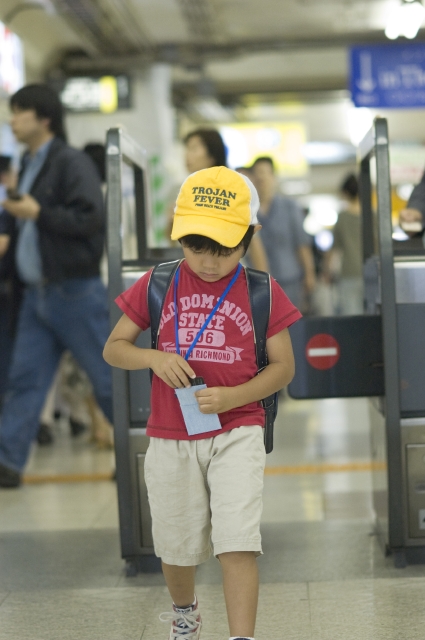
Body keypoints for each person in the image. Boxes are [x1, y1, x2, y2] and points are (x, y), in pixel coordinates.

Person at [103, 166, 301, 640]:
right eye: (197, 248)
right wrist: (152, 356)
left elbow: (283, 368)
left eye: (225, 250)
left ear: (249, 236)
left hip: (240, 428)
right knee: (175, 543)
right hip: (171, 432)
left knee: (237, 540)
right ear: (179, 236)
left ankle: (241, 636)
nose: (209, 262)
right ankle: (185, 610)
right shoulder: (158, 282)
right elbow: (114, 347)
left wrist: (234, 396)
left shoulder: (262, 291)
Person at [0, 84, 112, 488]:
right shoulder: (28, 162)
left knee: (105, 377)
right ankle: (8, 463)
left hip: (74, 291)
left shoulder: (71, 162)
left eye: (19, 112)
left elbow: (90, 220)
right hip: (35, 293)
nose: (12, 119)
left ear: (44, 118)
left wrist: (38, 212)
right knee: (24, 380)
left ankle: (144, 451)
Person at [168, 129, 268, 271]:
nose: (187, 155)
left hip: (228, 275)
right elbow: (170, 238)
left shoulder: (233, 188)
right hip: (194, 274)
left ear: (212, 154)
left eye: (194, 148)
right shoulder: (179, 191)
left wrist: (263, 281)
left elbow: (253, 240)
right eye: (187, 149)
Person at [251, 156, 315, 308]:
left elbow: (302, 243)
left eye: (264, 172)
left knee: (291, 325)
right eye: (257, 173)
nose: (261, 177)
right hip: (258, 282)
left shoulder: (289, 207)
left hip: (289, 280)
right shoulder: (249, 210)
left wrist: (309, 274)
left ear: (273, 177)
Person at [325, 173, 363, 315]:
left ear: (345, 193)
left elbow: (334, 248)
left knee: (352, 316)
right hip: (372, 272)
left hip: (349, 272)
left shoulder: (342, 217)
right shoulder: (373, 215)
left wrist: (327, 271)